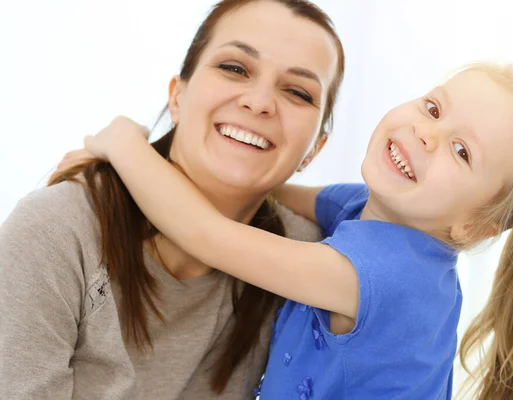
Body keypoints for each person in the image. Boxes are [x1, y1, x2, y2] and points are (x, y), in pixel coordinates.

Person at [82, 62, 513, 400]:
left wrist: (124, 144)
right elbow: (265, 188)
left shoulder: (385, 277)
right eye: (433, 108)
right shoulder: (367, 205)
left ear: (473, 225)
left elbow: (207, 235)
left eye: (462, 151)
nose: (427, 133)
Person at [0, 0, 345, 398]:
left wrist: (126, 143)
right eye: (235, 68)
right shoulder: (58, 232)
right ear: (177, 97)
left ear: (314, 150)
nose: (259, 102)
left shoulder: (309, 260)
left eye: (298, 92)